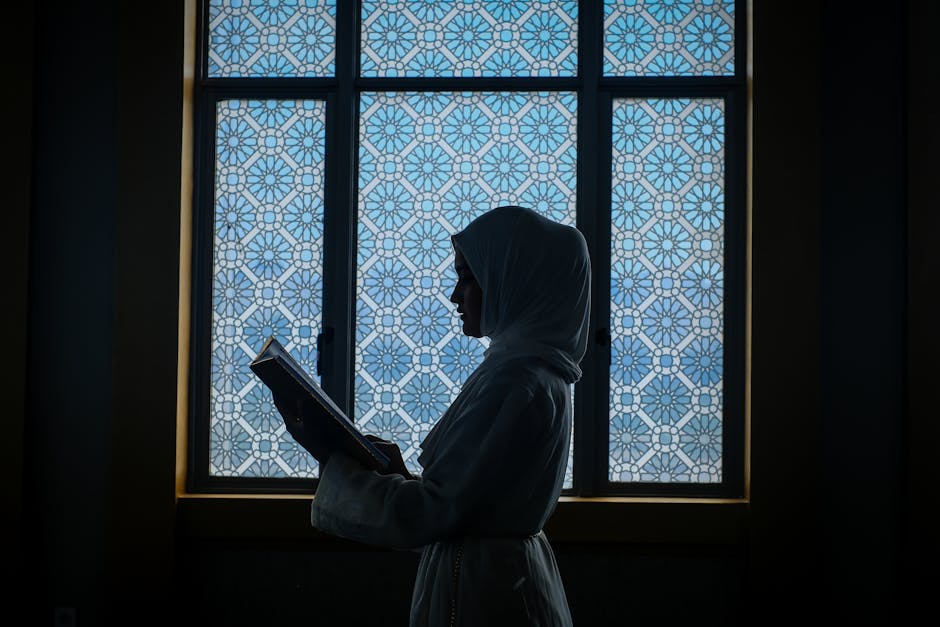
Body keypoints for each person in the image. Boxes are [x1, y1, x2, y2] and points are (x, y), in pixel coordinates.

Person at [277, 205, 590, 626]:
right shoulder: (534, 375)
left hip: (487, 594)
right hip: (502, 578)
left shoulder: (516, 382)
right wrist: (402, 476)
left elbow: (433, 515)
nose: (454, 295)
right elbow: (468, 506)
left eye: (467, 277)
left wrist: (326, 453)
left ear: (512, 279)